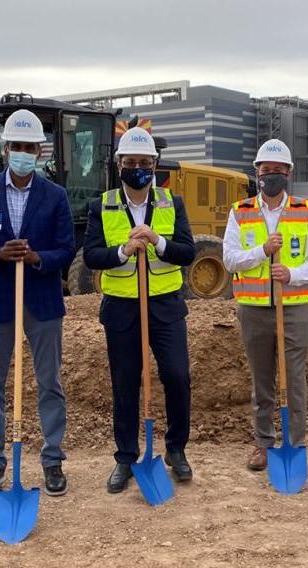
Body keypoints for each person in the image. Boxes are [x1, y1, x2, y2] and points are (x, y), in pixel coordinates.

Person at [0, 109, 75, 497]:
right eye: (18, 147)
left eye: (31, 147)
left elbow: (66, 249)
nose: (24, 153)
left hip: (42, 302)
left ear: (40, 151)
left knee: (50, 383)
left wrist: (36, 258)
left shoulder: (55, 196)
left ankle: (52, 460)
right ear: (7, 148)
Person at [83, 127, 195, 493]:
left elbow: (187, 252)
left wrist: (158, 241)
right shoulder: (102, 205)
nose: (138, 168)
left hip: (165, 307)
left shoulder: (170, 203)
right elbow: (91, 256)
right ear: (119, 165)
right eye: (130, 162)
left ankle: (176, 450)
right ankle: (126, 457)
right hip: (122, 309)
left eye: (144, 163)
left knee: (177, 377)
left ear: (155, 166)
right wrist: (124, 252)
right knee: (125, 384)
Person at [223, 139, 308, 472]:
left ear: (289, 173)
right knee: (262, 381)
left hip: (294, 307)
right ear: (257, 173)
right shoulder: (240, 212)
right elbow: (229, 259)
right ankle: (264, 443)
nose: (271, 176)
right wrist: (263, 252)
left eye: (278, 171)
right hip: (253, 308)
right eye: (266, 171)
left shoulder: (304, 210)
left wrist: (292, 273)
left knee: (294, 380)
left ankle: (294, 444)